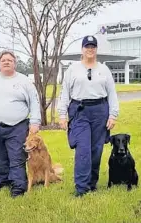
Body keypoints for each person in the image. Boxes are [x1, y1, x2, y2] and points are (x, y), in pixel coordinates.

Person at [58, 35, 119, 197]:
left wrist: (113, 115)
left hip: (100, 110)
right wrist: (62, 115)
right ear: (82, 49)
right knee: (83, 149)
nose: (90, 49)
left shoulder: (104, 69)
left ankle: (92, 184)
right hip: (80, 111)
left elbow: (112, 93)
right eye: (87, 47)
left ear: (96, 49)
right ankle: (81, 188)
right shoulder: (73, 69)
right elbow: (65, 93)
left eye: (93, 46)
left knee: (96, 150)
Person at [0, 50, 41, 198]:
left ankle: (18, 187)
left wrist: (35, 121)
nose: (6, 62)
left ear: (15, 63)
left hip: (17, 126)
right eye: (3, 60)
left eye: (10, 60)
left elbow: (34, 102)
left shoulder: (24, 81)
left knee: (16, 156)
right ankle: (3, 182)